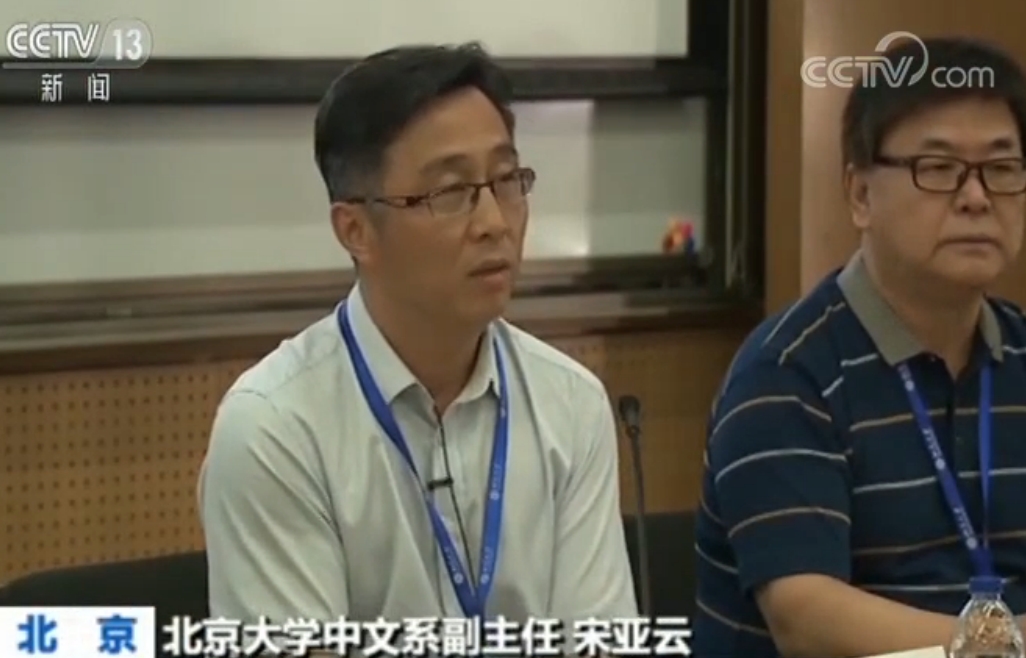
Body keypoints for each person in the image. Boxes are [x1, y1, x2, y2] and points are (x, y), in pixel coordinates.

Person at [197, 41, 637, 647]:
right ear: (356, 230)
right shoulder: (276, 429)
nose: (495, 222)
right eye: (449, 193)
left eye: (506, 181)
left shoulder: (570, 404)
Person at [694, 37, 1026, 658]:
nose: (977, 197)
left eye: (1002, 169)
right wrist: (1001, 644)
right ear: (860, 194)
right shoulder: (787, 374)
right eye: (939, 168)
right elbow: (806, 618)